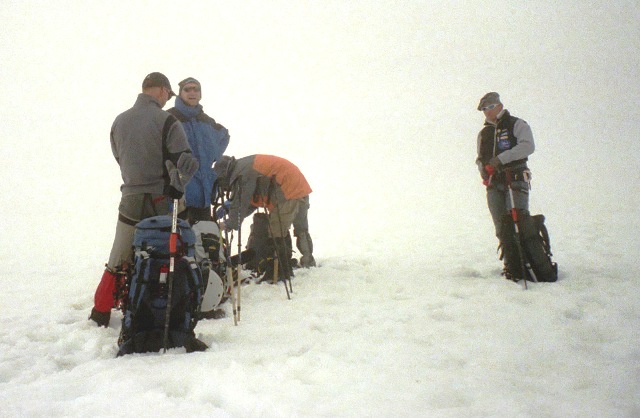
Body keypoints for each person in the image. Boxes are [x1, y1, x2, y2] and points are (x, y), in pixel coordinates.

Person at [89, 72, 199, 327]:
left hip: (130, 196)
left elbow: (119, 157)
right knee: (174, 253)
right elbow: (187, 161)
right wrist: (177, 186)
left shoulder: (119, 121)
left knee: (119, 254)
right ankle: (173, 305)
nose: (166, 99)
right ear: (162, 90)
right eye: (167, 94)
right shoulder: (166, 120)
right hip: (163, 199)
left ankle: (101, 311)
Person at [213, 154, 316, 279]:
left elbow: (242, 200)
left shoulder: (242, 173)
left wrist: (230, 223)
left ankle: (279, 271)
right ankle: (307, 261)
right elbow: (251, 201)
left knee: (276, 229)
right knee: (300, 228)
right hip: (297, 186)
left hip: (286, 190)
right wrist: (232, 214)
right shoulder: (245, 165)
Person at [475, 92, 535, 281]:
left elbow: (527, 146)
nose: (487, 112)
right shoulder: (484, 133)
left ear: (499, 106)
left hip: (515, 180)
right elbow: (480, 158)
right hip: (494, 185)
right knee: (501, 226)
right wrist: (483, 172)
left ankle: (529, 263)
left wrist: (501, 159)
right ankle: (511, 264)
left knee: (518, 221)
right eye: (484, 109)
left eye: (490, 107)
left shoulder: (516, 124)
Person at [167, 77, 230, 223]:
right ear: (180, 93)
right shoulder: (169, 117)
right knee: (179, 239)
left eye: (196, 89)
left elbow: (224, 135)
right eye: (187, 89)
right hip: (179, 192)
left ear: (200, 94)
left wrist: (213, 156)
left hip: (204, 194)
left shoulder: (207, 121)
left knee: (203, 239)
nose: (192, 92)